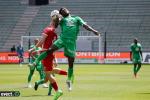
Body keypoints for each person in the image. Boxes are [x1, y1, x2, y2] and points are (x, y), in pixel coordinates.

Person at [29, 7, 100, 91]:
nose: (63, 10)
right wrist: (57, 19)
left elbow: (85, 25)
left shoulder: (76, 18)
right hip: (62, 39)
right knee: (49, 50)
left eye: (64, 9)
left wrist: (94, 31)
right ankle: (35, 62)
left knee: (71, 62)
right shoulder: (62, 20)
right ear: (61, 14)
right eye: (61, 11)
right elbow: (55, 26)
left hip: (71, 42)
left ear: (68, 10)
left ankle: (69, 80)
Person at [29, 10, 67, 100]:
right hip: (49, 53)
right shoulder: (54, 32)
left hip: (46, 55)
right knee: (50, 72)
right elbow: (51, 45)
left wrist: (33, 48)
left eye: (51, 19)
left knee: (49, 75)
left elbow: (42, 41)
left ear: (52, 21)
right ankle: (68, 74)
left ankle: (58, 91)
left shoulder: (47, 29)